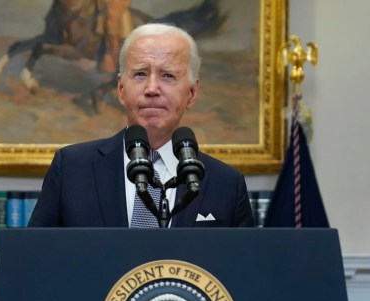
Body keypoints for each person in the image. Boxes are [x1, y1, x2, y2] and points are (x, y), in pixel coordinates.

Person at [29, 23, 255, 228]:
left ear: (192, 93)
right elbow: (37, 255)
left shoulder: (226, 183)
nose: (152, 88)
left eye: (168, 75)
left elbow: (242, 260)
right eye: (140, 74)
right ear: (120, 89)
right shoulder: (72, 169)